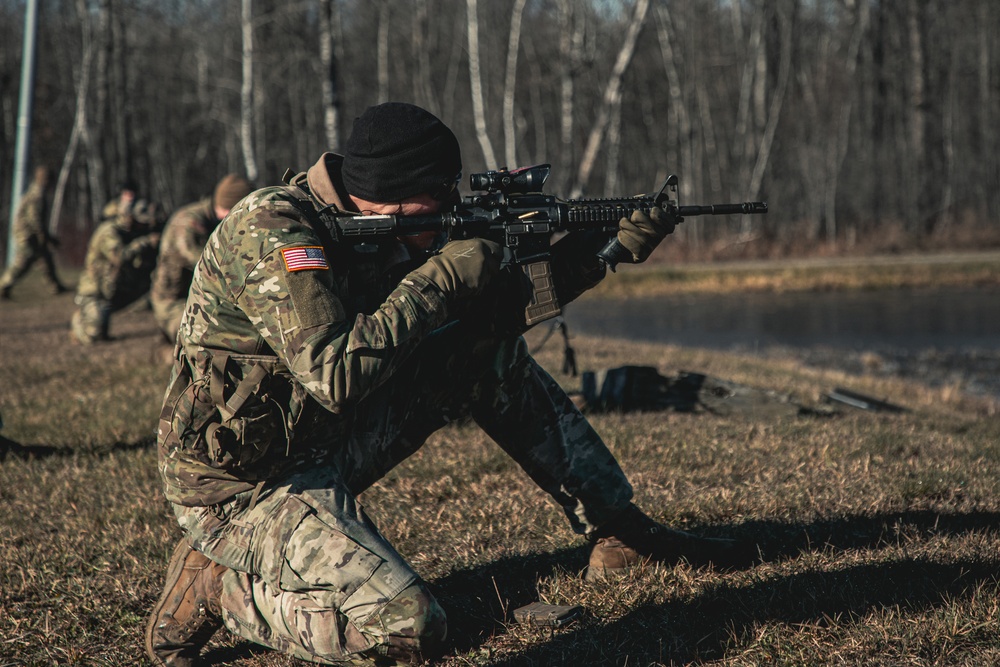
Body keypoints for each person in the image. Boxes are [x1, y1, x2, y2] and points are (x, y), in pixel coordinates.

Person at [146, 102, 747, 666]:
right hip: (238, 483)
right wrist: (440, 278)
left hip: (319, 446)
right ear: (391, 197)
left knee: (488, 354)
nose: (448, 208)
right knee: (410, 627)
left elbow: (497, 315)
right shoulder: (273, 228)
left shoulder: (388, 227)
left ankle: (619, 527)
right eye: (438, 194)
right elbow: (335, 374)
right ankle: (228, 586)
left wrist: (600, 250)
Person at [150, 174, 254, 343]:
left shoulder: (216, 220)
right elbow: (208, 265)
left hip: (204, 300)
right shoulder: (188, 223)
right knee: (210, 341)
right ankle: (164, 352)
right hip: (174, 302)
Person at [70, 184, 162, 344]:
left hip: (114, 288)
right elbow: (119, 256)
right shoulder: (109, 231)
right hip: (95, 291)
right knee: (94, 337)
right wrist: (145, 242)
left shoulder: (129, 232)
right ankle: (80, 321)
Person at [0, 166, 67, 299]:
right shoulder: (37, 195)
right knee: (23, 262)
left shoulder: (36, 192)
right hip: (27, 234)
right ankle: (3, 286)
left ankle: (55, 286)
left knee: (46, 258)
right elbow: (35, 219)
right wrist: (45, 236)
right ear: (45, 180)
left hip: (31, 233)